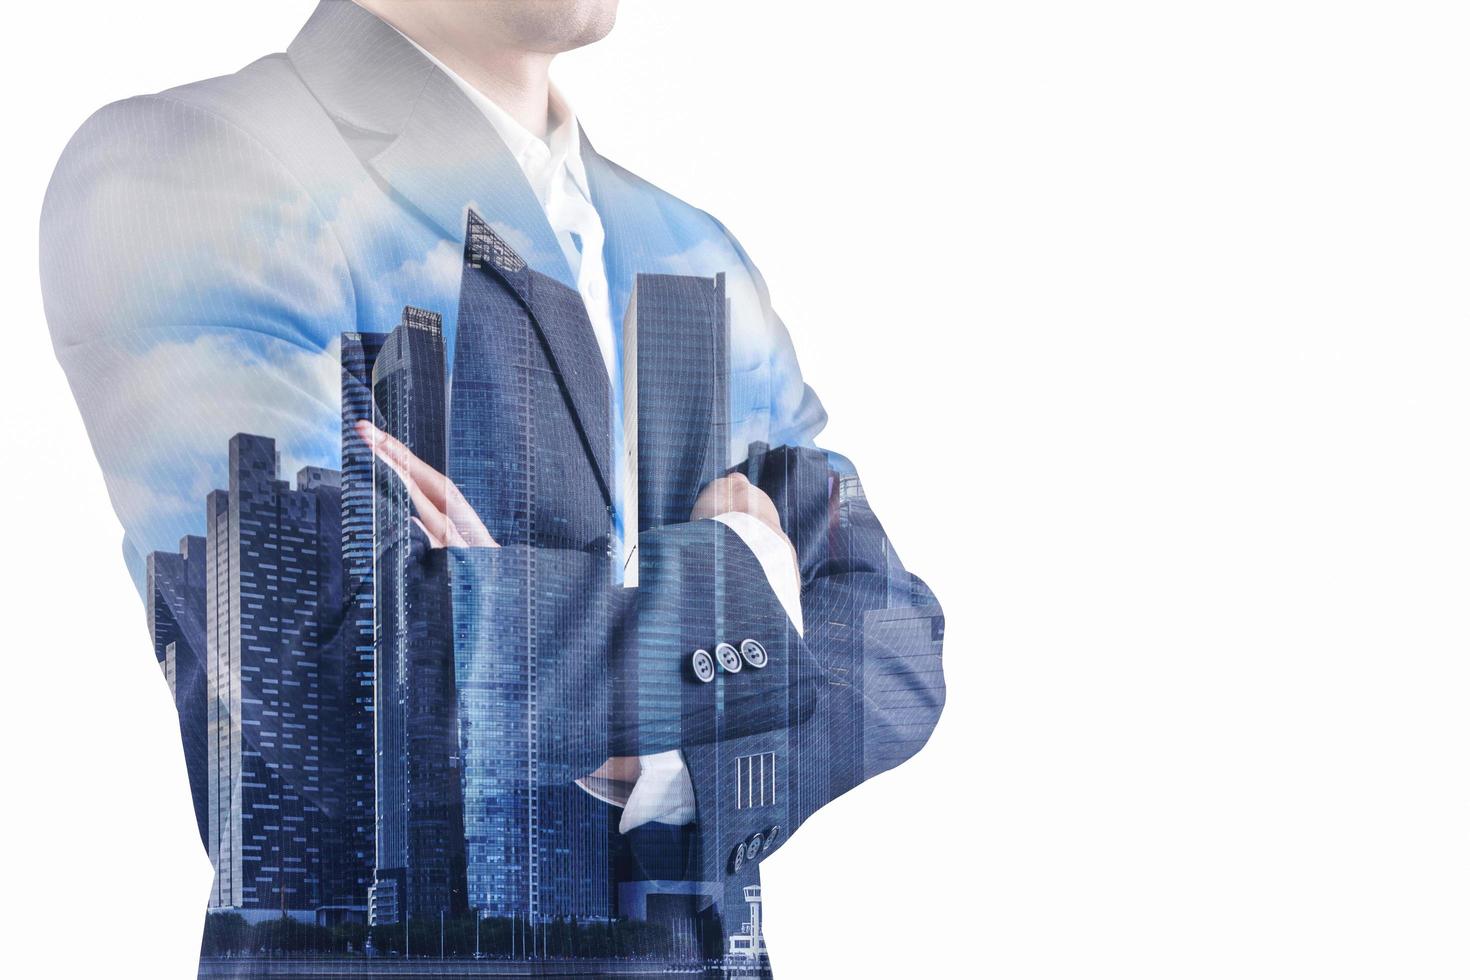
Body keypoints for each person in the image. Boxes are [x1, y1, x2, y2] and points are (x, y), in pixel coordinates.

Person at [39, 1, 946, 975]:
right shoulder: (200, 169)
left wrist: (658, 765)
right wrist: (748, 576)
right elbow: (338, 692)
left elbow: (896, 643)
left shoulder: (692, 245)